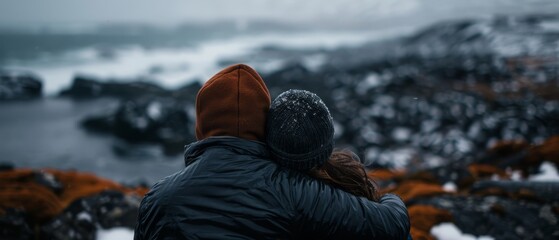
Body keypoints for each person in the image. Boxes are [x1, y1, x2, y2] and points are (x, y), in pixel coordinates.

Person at [134, 64, 410, 239]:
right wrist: (392, 199)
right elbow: (392, 226)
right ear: (265, 125)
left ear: (201, 126)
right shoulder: (293, 188)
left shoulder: (157, 200)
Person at [266, 89, 411, 238]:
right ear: (326, 142)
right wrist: (391, 199)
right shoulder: (350, 185)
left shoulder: (257, 192)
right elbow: (393, 226)